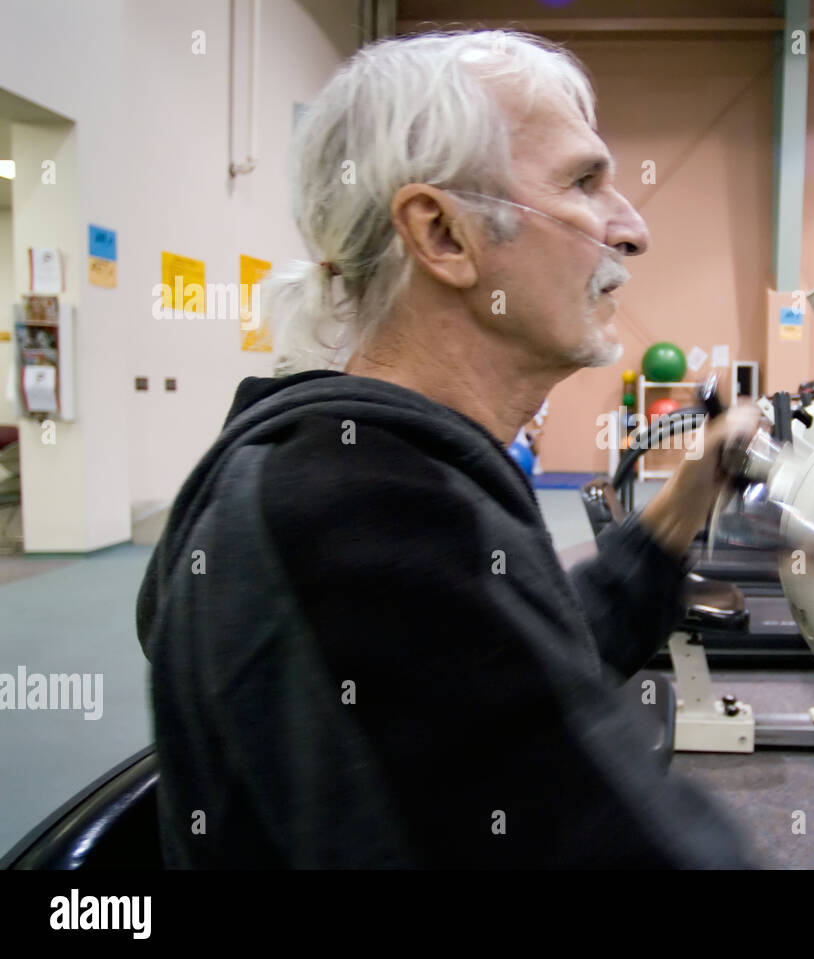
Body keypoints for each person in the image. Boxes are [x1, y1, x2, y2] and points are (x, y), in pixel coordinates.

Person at [136, 29, 760, 868]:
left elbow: (528, 652)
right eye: (584, 181)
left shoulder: (359, 473)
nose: (633, 229)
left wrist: (683, 507)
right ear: (443, 236)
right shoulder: (354, 516)